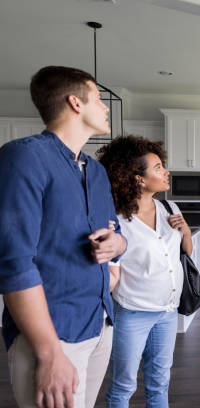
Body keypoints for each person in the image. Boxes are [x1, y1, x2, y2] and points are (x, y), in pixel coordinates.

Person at [0, 66, 127, 408]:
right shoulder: (23, 157)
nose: (105, 107)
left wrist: (119, 246)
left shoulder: (96, 171)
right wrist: (49, 352)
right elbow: (14, 264)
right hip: (53, 335)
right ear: (75, 102)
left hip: (99, 323)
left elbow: (114, 233)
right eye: (99, 99)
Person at [97, 135, 192, 408]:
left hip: (167, 311)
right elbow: (108, 268)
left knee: (159, 382)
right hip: (132, 312)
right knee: (123, 385)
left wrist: (185, 230)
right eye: (158, 167)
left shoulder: (169, 208)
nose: (167, 172)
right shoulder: (116, 218)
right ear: (138, 178)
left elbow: (186, 251)